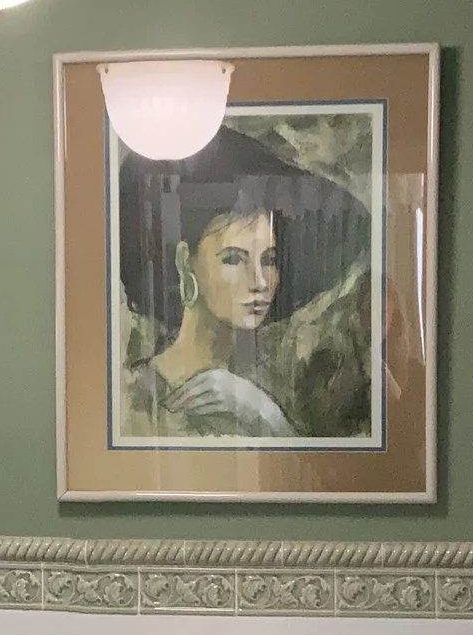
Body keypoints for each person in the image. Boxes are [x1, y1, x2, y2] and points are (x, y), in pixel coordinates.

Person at [115, 124, 372, 442]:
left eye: (269, 259)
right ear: (185, 262)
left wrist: (265, 416)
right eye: (234, 259)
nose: (260, 281)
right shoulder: (134, 395)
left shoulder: (276, 386)